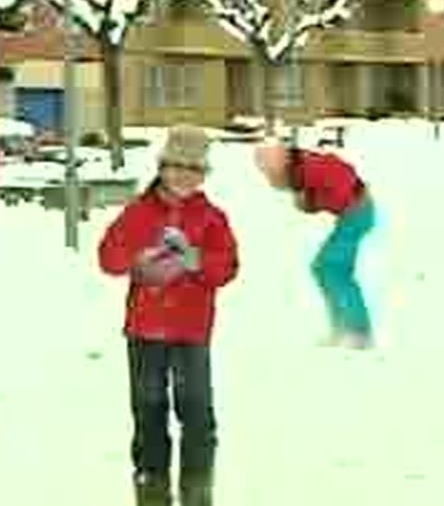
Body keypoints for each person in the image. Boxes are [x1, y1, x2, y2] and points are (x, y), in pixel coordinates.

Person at [97, 125, 240, 506]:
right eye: (178, 166)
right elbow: (108, 257)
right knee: (148, 411)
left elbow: (227, 267)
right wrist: (137, 259)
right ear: (162, 167)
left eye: (195, 169)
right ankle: (151, 489)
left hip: (191, 331)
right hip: (145, 331)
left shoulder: (212, 218)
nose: (185, 176)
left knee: (196, 413)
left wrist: (196, 260)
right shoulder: (138, 212)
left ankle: (197, 490)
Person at [253, 140, 376, 349]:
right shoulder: (301, 172)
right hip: (351, 214)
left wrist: (314, 199)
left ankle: (359, 331)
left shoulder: (312, 167)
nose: (274, 182)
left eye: (273, 177)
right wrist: (310, 200)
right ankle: (342, 326)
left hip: (359, 211)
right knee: (324, 269)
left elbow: (342, 178)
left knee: (333, 268)